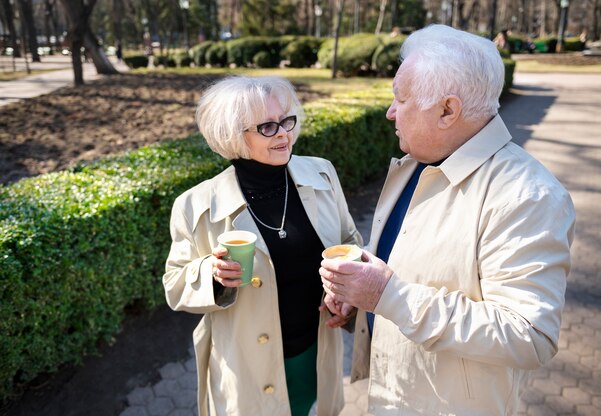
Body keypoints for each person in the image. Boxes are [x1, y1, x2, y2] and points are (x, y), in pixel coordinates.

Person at [320, 24, 575, 415]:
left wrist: (385, 296)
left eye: (400, 98)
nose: (390, 112)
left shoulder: (527, 194)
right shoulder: (413, 165)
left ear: (447, 110)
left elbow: (530, 336)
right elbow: (406, 278)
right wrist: (360, 301)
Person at [162, 75, 362, 416]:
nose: (284, 133)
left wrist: (348, 292)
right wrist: (210, 273)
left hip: (313, 352)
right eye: (268, 127)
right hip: (247, 368)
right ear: (233, 134)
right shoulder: (195, 205)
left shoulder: (322, 175)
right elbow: (175, 285)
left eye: (286, 120)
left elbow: (349, 243)